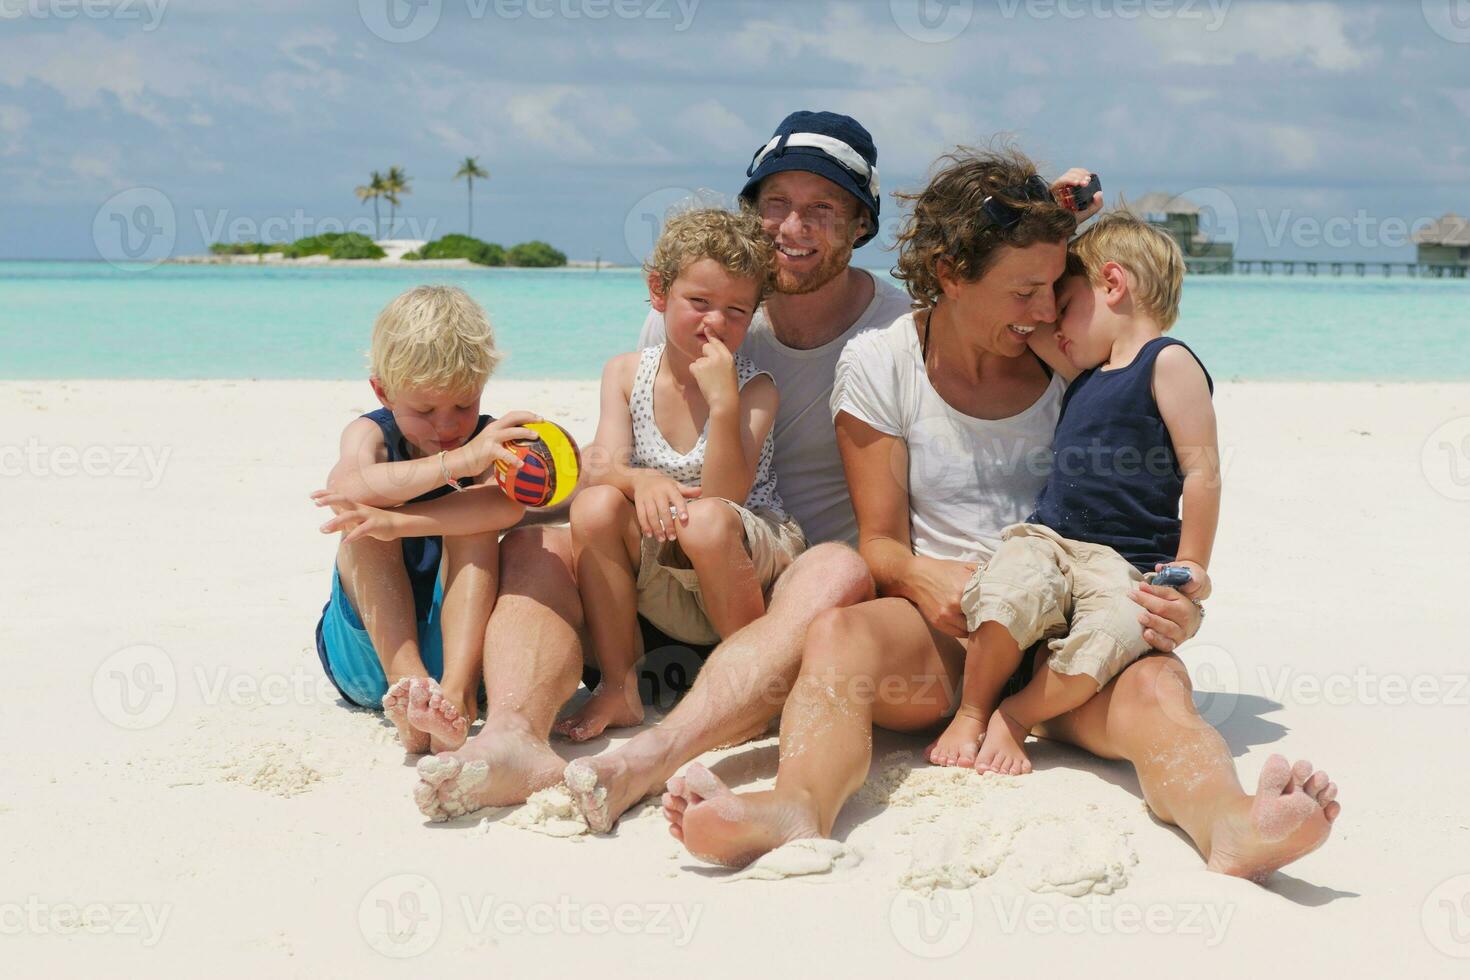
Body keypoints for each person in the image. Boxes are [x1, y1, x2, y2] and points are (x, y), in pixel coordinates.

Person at [662, 147, 1340, 883]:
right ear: (952, 274)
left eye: (1055, 288)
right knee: (840, 634)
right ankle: (795, 806)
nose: (1046, 310)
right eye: (1023, 293)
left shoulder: (1074, 359)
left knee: (1158, 686)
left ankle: (1231, 822)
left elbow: (1159, 488)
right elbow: (881, 545)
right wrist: (923, 578)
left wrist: (1178, 595)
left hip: (1072, 643)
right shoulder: (882, 361)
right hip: (951, 643)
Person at [412, 110, 919, 823]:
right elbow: (619, 456)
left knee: (838, 568)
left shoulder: (898, 331)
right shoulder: (686, 316)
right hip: (656, 566)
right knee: (537, 544)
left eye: (822, 209)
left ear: (861, 224)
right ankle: (512, 740)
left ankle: (659, 751)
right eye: (775, 204)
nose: (793, 227)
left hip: (775, 591)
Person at [931, 211, 1219, 776]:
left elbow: (1203, 472)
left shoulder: (1168, 361)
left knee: (1115, 633)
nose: (1049, 322)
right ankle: (970, 710)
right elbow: (1009, 311)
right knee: (1005, 591)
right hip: (1050, 538)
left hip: (1123, 560)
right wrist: (1057, 218)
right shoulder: (1083, 368)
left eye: (1063, 307)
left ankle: (1014, 715)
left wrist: (1193, 563)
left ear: (1113, 284)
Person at [555, 208, 805, 742]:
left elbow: (726, 496)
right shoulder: (625, 373)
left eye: (736, 310)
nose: (715, 321)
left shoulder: (756, 389)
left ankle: (750, 692)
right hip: (667, 542)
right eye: (699, 302)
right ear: (659, 292)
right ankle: (619, 686)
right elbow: (604, 465)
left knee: (707, 521)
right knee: (594, 507)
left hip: (743, 542)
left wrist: (723, 404)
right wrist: (639, 481)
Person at [309, 285, 540, 754]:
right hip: (366, 657)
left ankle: (454, 697)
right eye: (425, 409)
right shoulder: (369, 432)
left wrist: (402, 521)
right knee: (363, 525)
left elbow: (508, 506)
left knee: (473, 519)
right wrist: (455, 464)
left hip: (459, 655)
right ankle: (408, 686)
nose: (449, 425)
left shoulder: (489, 439)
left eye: (463, 404)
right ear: (383, 391)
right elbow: (345, 489)